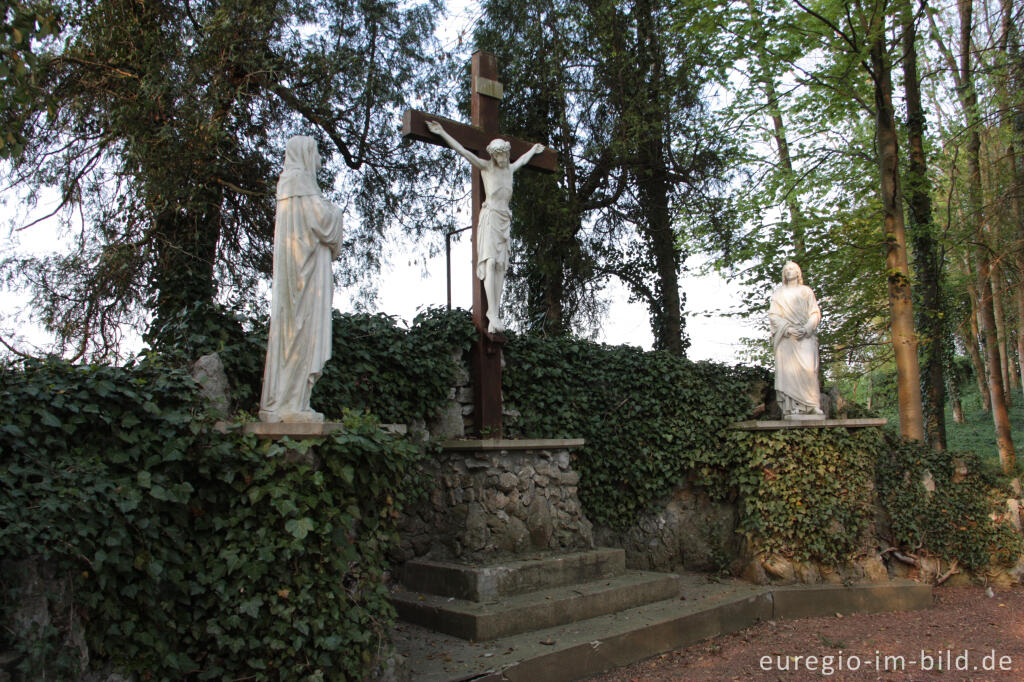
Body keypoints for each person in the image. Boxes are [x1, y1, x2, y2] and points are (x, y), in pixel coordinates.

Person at [425, 119, 543, 333]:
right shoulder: (486, 167)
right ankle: (492, 314)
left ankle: (495, 311)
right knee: (489, 263)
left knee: (501, 267)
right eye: (498, 155)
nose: (502, 159)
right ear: (492, 155)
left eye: (504, 155)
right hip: (490, 218)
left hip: (504, 219)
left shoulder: (510, 169)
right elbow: (462, 151)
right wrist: (442, 133)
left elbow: (524, 160)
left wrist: (534, 150)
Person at [259, 136, 344, 423]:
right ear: (305, 154)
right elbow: (324, 223)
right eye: (317, 154)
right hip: (304, 280)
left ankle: (293, 402)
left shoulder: (291, 184)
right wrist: (337, 211)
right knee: (300, 332)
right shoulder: (299, 183)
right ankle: (290, 405)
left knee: (296, 333)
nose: (319, 161)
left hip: (300, 275)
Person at [769, 261, 824, 418]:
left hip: (805, 335)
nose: (789, 271)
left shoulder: (806, 291)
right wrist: (788, 329)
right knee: (789, 373)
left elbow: (815, 313)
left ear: (798, 272)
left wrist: (807, 328)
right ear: (784, 274)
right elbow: (773, 316)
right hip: (787, 337)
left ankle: (812, 405)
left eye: (792, 269)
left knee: (809, 369)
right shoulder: (778, 293)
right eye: (787, 270)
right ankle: (792, 407)